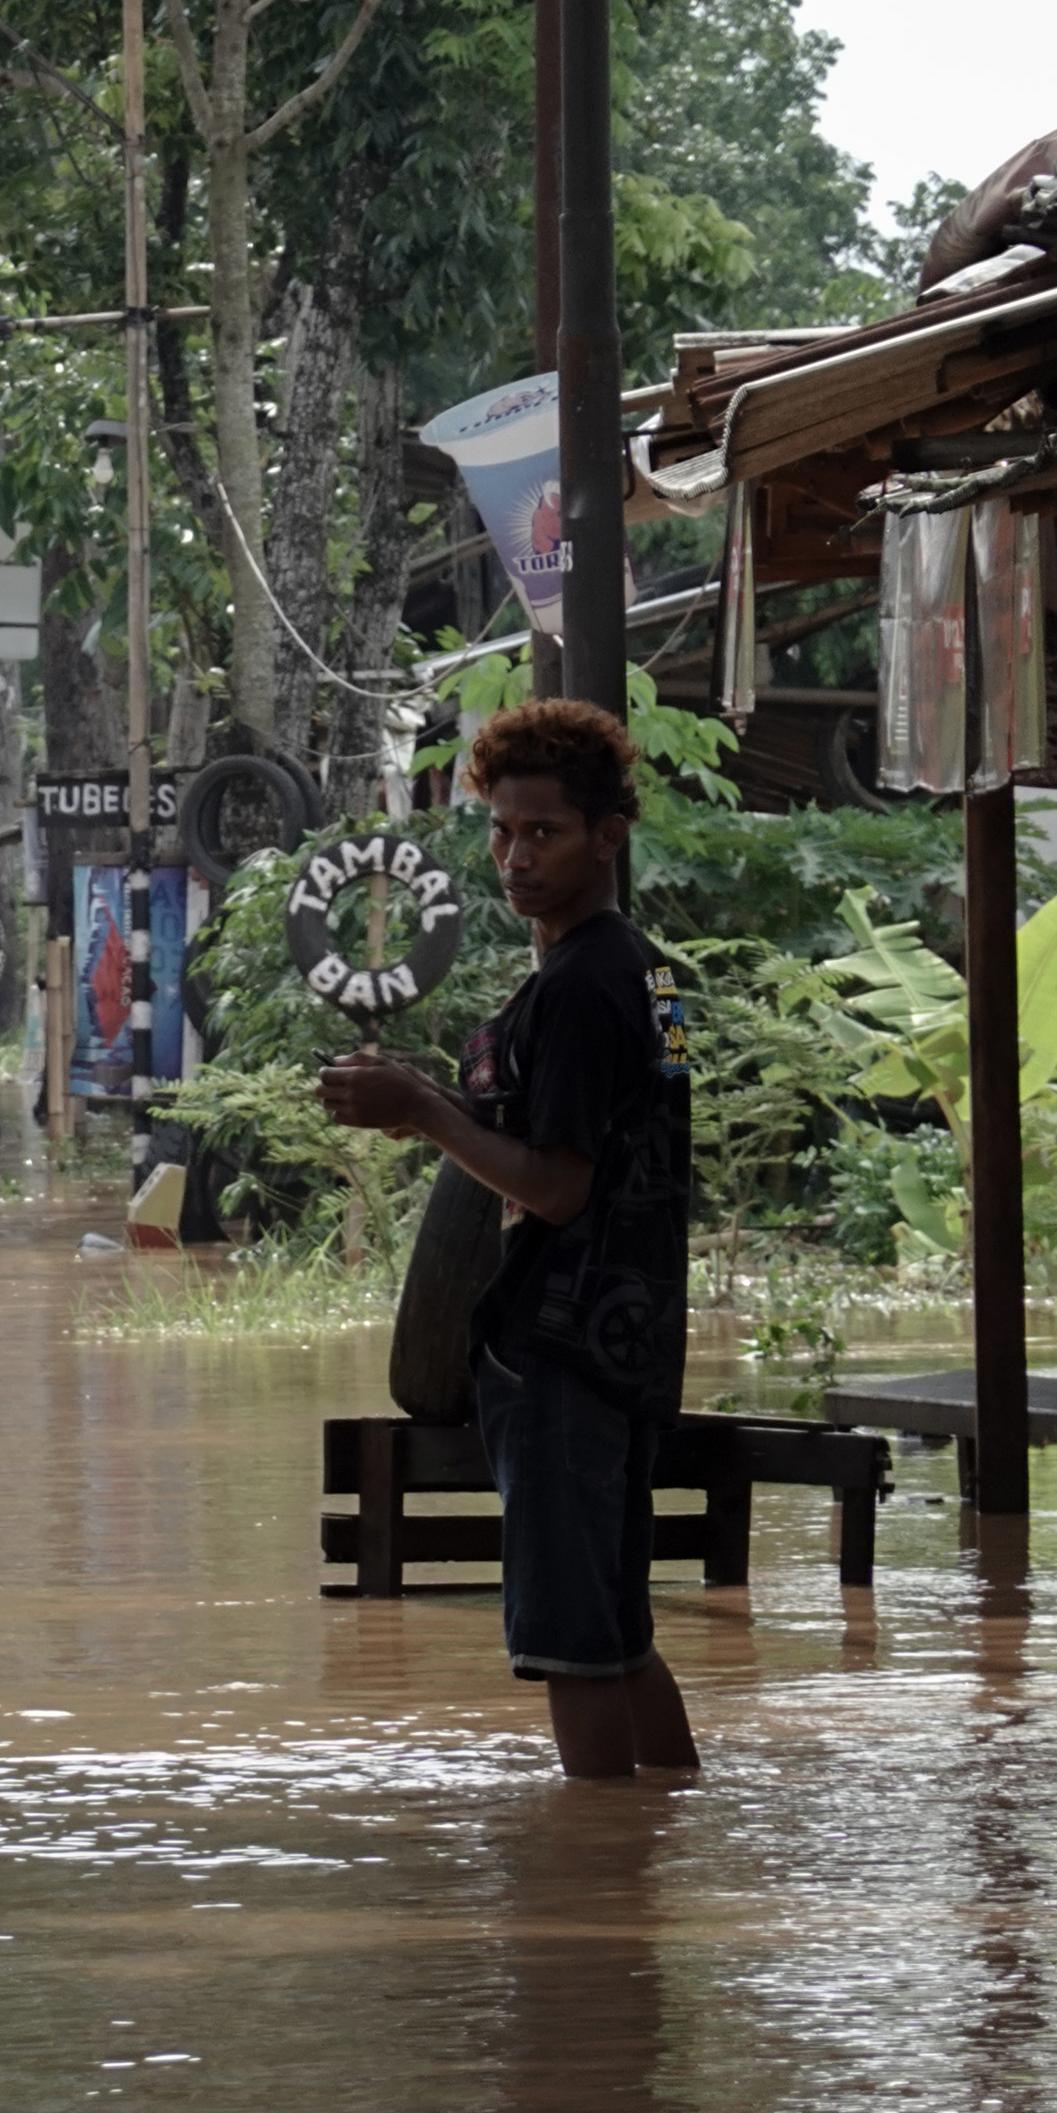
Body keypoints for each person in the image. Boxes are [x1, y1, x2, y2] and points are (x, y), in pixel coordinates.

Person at [319, 701, 695, 1781]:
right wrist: (430, 1102)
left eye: (544, 833)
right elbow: (628, 1146)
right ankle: (665, 1832)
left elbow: (561, 1190)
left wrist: (423, 1111)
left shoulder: (578, 988)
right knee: (618, 1630)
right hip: (633, 1341)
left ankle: (597, 1866)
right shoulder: (654, 974)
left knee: (573, 1644)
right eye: (501, 831)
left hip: (562, 1348)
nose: (515, 858)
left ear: (608, 836)